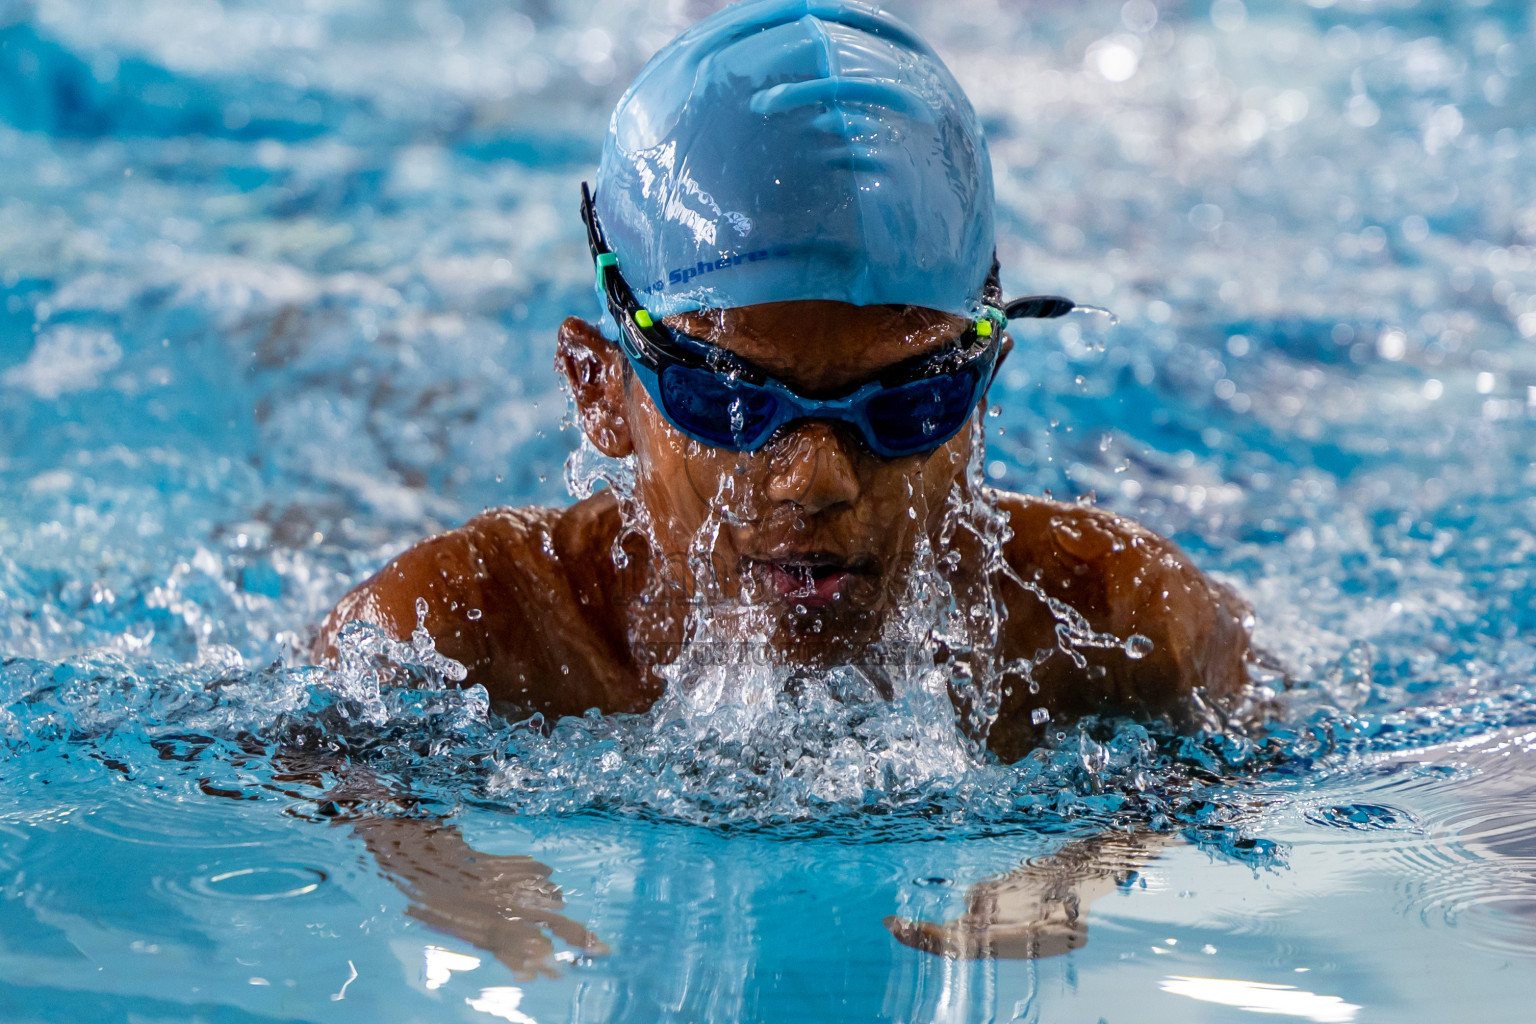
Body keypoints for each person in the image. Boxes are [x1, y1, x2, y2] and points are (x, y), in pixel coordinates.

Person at [313, 0, 1251, 765]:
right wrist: (433, 866)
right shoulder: (459, 637)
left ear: (983, 392)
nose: (819, 478)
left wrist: (1099, 858)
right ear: (600, 389)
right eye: (731, 399)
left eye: (911, 402)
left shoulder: (1116, 629)